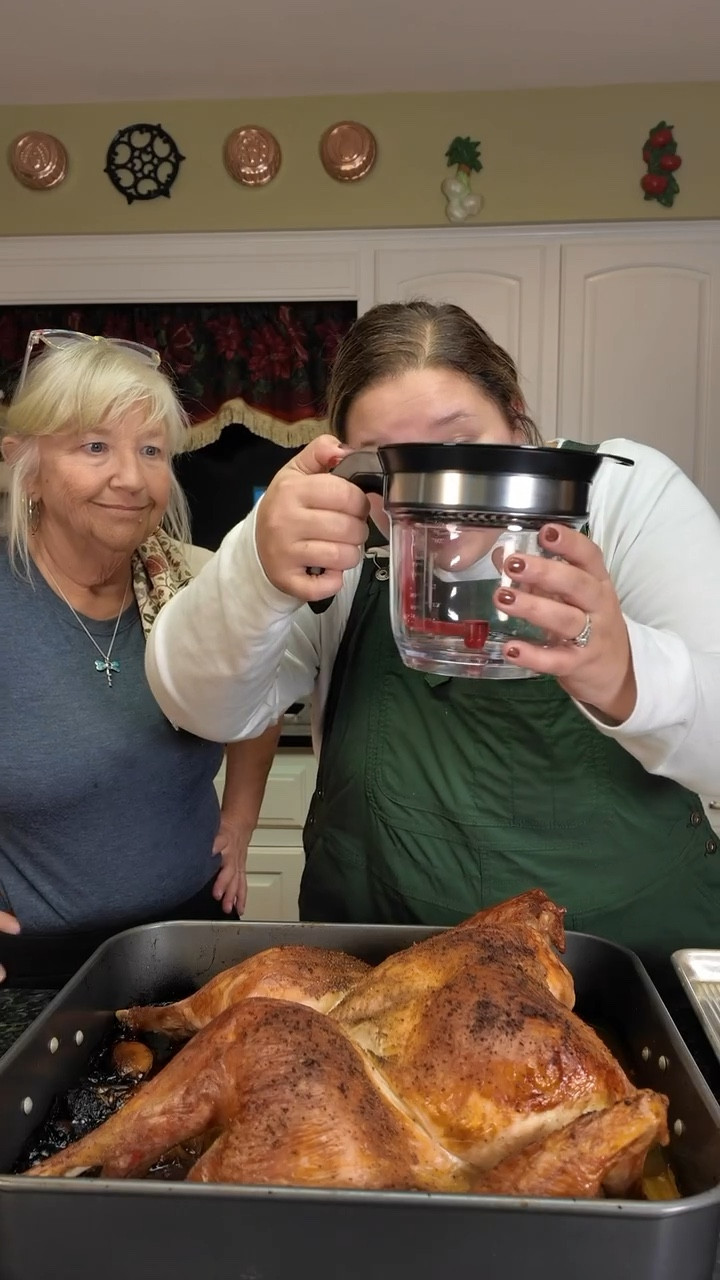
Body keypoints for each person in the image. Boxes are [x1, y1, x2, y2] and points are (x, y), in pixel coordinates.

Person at [145, 301, 720, 972]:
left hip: (625, 975)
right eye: (392, 465)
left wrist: (628, 676)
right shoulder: (333, 533)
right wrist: (256, 572)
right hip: (385, 975)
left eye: (462, 444)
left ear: (516, 414)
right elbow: (199, 704)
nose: (439, 498)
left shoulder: (622, 497)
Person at [0, 329, 280, 988]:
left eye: (150, 450)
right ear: (27, 467)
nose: (130, 477)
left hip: (194, 939)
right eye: (94, 446)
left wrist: (238, 822)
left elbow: (259, 707)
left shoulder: (200, 586)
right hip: (37, 965)